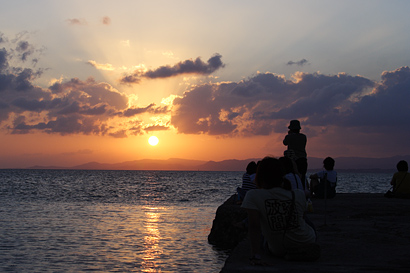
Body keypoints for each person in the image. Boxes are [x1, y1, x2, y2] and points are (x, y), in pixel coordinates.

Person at [241, 157, 318, 264]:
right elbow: (302, 218)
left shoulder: (253, 195)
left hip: (278, 248)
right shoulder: (298, 194)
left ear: (260, 176)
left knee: (265, 239)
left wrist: (255, 255)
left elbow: (254, 226)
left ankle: (290, 253)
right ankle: (298, 252)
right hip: (306, 241)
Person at [283, 120, 308, 186]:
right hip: (303, 159)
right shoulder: (303, 136)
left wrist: (289, 135)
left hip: (293, 160)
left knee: (294, 178)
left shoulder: (289, 137)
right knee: (302, 177)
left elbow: (285, 143)